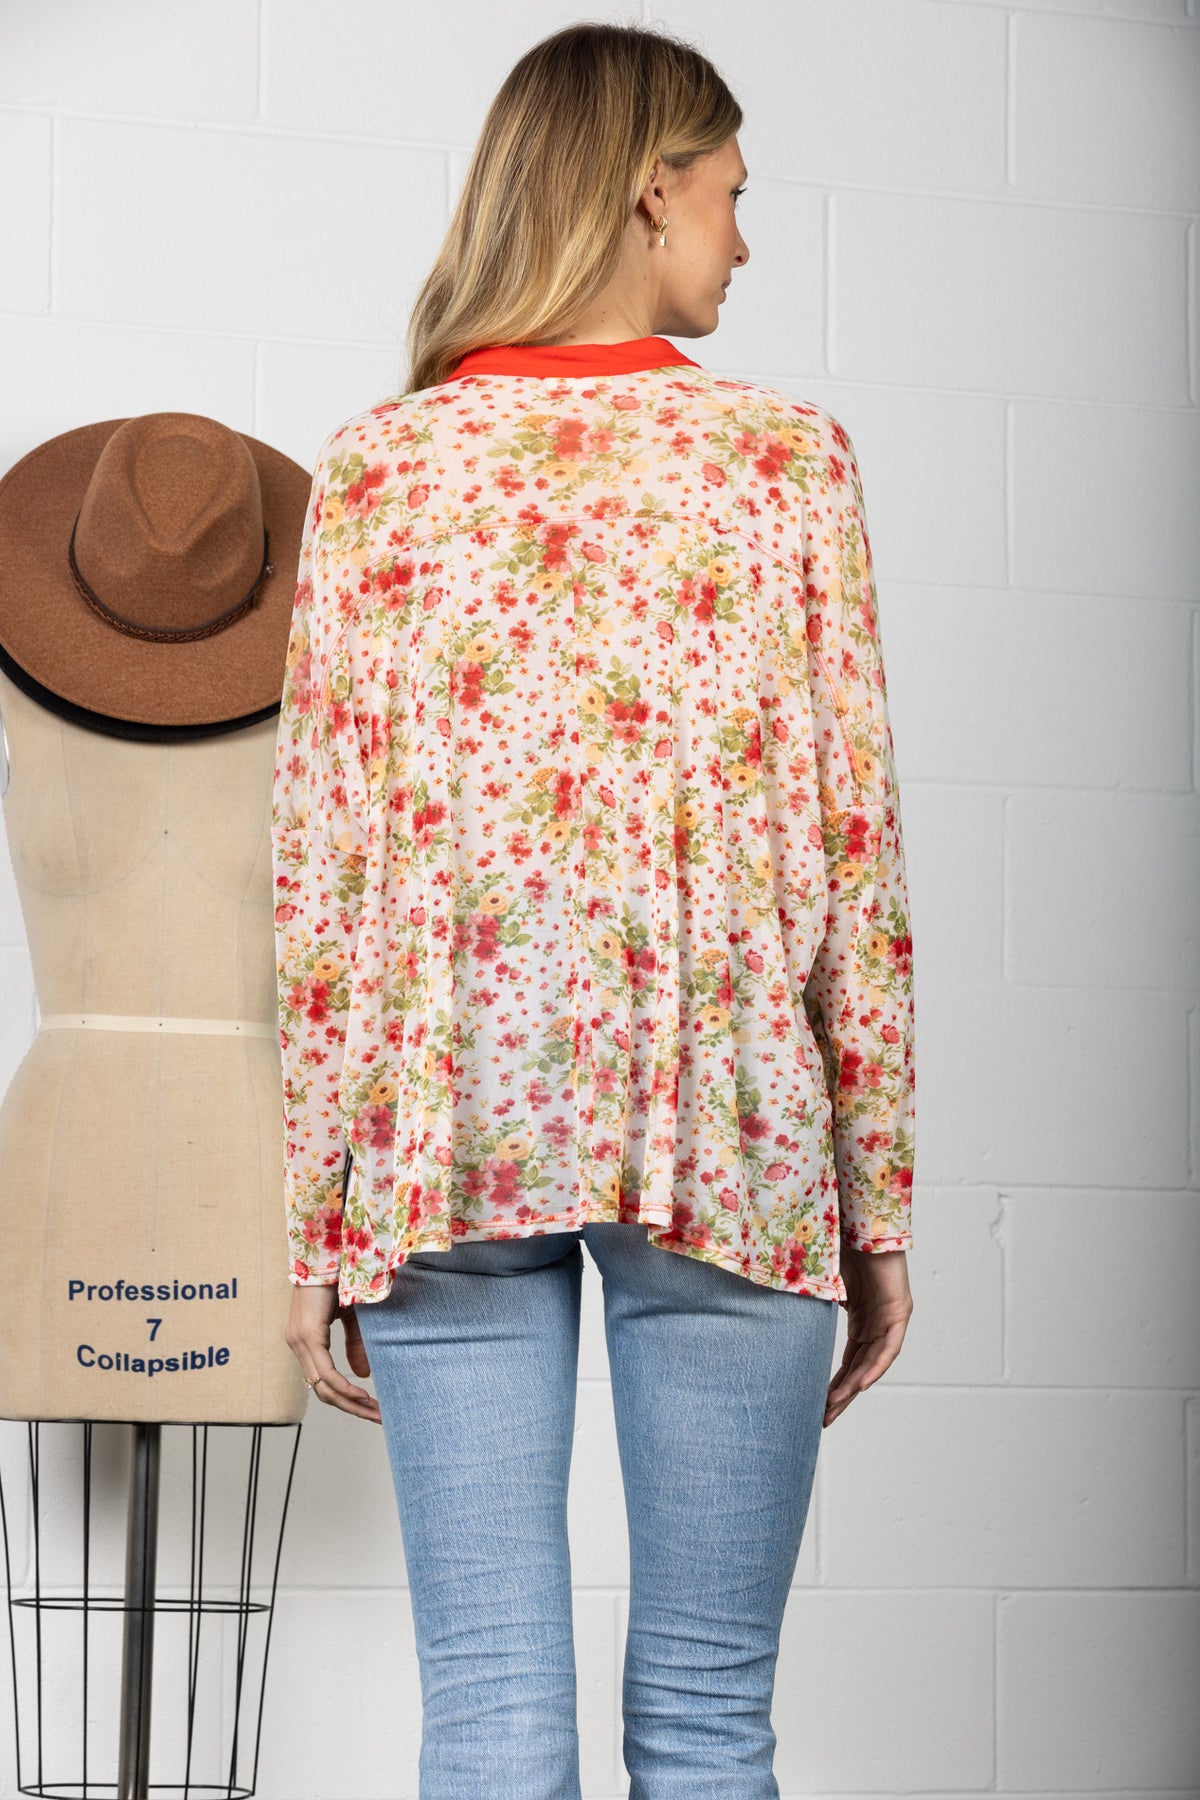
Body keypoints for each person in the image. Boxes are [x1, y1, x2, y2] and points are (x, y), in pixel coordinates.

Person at [271, 21, 915, 1798]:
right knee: (710, 1722)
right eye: (732, 193)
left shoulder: (383, 468)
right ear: (652, 189)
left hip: (445, 1134)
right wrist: (875, 1200)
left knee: (486, 1722)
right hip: (730, 1130)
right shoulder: (786, 460)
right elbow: (855, 855)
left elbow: (324, 878)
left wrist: (318, 1215)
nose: (744, 239)